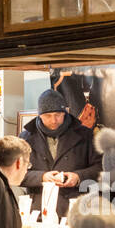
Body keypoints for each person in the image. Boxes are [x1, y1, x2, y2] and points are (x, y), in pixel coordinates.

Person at [18, 87, 101, 220]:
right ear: (39, 115)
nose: (53, 120)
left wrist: (78, 177)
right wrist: (42, 177)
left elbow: (100, 169)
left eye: (58, 115)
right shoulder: (25, 138)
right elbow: (15, 174)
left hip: (75, 210)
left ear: (65, 112)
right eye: (47, 116)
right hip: (38, 212)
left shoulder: (85, 135)